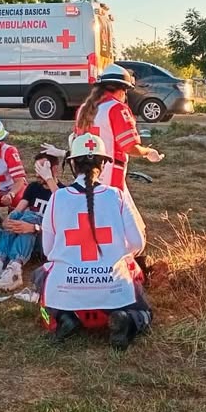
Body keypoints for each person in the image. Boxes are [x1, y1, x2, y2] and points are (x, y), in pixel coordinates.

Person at [35, 134, 151, 351]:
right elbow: (137, 244)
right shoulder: (117, 196)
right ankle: (127, 319)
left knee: (39, 276)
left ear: (72, 163)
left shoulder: (57, 198)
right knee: (144, 309)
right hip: (115, 289)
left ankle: (60, 316)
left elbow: (48, 250)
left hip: (65, 289)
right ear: (104, 164)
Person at [72, 64, 164, 190]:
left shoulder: (83, 109)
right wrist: (148, 152)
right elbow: (130, 147)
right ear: (122, 90)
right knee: (115, 207)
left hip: (84, 173)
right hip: (110, 173)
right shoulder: (117, 108)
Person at [0, 154, 62, 292]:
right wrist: (8, 221)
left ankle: (15, 267)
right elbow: (18, 210)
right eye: (37, 168)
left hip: (45, 239)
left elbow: (61, 228)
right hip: (27, 234)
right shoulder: (33, 188)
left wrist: (35, 227)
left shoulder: (62, 193)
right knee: (16, 216)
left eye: (42, 168)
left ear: (55, 169)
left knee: (30, 217)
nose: (38, 173)